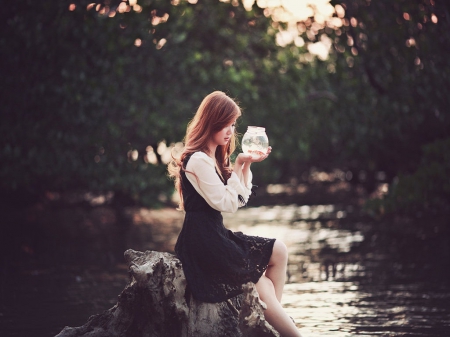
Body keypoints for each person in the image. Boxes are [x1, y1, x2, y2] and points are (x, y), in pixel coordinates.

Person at [168, 91, 302, 337]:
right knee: (260, 283)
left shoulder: (212, 157)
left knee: (279, 251)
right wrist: (239, 165)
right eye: (225, 124)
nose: (230, 131)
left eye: (232, 124)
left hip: (215, 235)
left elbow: (239, 199)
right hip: (203, 241)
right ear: (211, 121)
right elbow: (226, 204)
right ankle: (290, 333)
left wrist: (246, 165)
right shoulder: (197, 159)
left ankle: (273, 324)